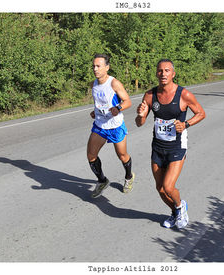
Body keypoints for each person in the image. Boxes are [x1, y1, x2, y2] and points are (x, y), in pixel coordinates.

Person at [135, 59, 206, 229]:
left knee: (168, 186)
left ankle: (181, 206)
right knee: (160, 188)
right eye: (160, 71)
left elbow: (201, 113)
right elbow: (139, 123)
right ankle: (175, 213)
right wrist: (141, 115)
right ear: (156, 73)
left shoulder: (184, 95)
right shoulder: (150, 95)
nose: (163, 74)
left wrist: (186, 124)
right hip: (158, 147)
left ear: (173, 74)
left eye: (167, 70)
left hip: (176, 146)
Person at [87, 54, 135, 198]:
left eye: (98, 66)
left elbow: (128, 101)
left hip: (115, 125)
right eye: (94, 66)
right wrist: (95, 111)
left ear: (106, 67)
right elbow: (100, 102)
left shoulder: (114, 83)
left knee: (122, 155)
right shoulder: (93, 84)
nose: (95, 69)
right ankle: (102, 181)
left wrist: (118, 108)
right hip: (100, 125)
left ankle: (128, 176)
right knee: (91, 155)